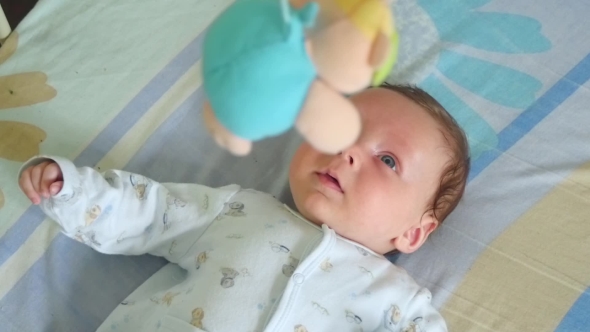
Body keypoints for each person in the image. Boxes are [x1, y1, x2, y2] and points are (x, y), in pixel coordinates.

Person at [18, 84, 469, 332]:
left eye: (388, 160)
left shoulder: (399, 303)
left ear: (413, 232)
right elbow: (149, 212)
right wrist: (75, 190)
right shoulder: (237, 211)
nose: (349, 152)